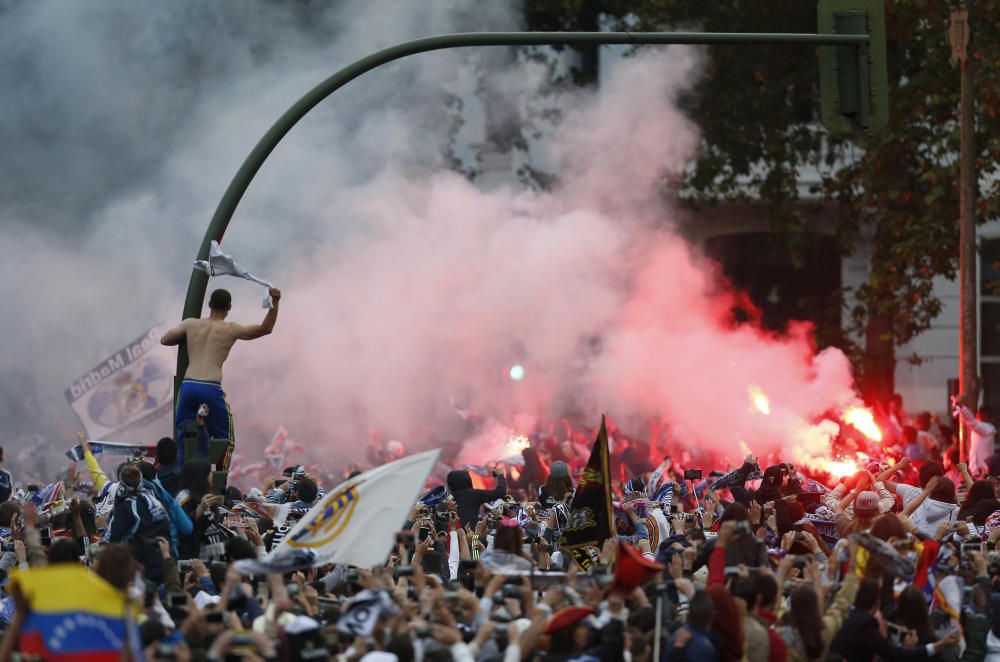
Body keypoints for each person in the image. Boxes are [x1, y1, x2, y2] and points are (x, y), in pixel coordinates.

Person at [161, 286, 282, 466]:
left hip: (187, 386)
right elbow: (265, 329)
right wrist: (276, 302)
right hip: (210, 387)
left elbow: (165, 340)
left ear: (209, 304)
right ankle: (220, 483)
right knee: (225, 440)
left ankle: (182, 484)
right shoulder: (230, 329)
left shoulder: (191, 324)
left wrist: (188, 338)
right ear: (229, 308)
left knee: (184, 439)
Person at [954, 398, 996, 478]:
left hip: (982, 470)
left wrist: (962, 408)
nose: (977, 415)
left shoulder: (986, 428)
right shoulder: (984, 428)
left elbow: (972, 422)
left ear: (984, 415)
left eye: (979, 413)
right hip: (979, 469)